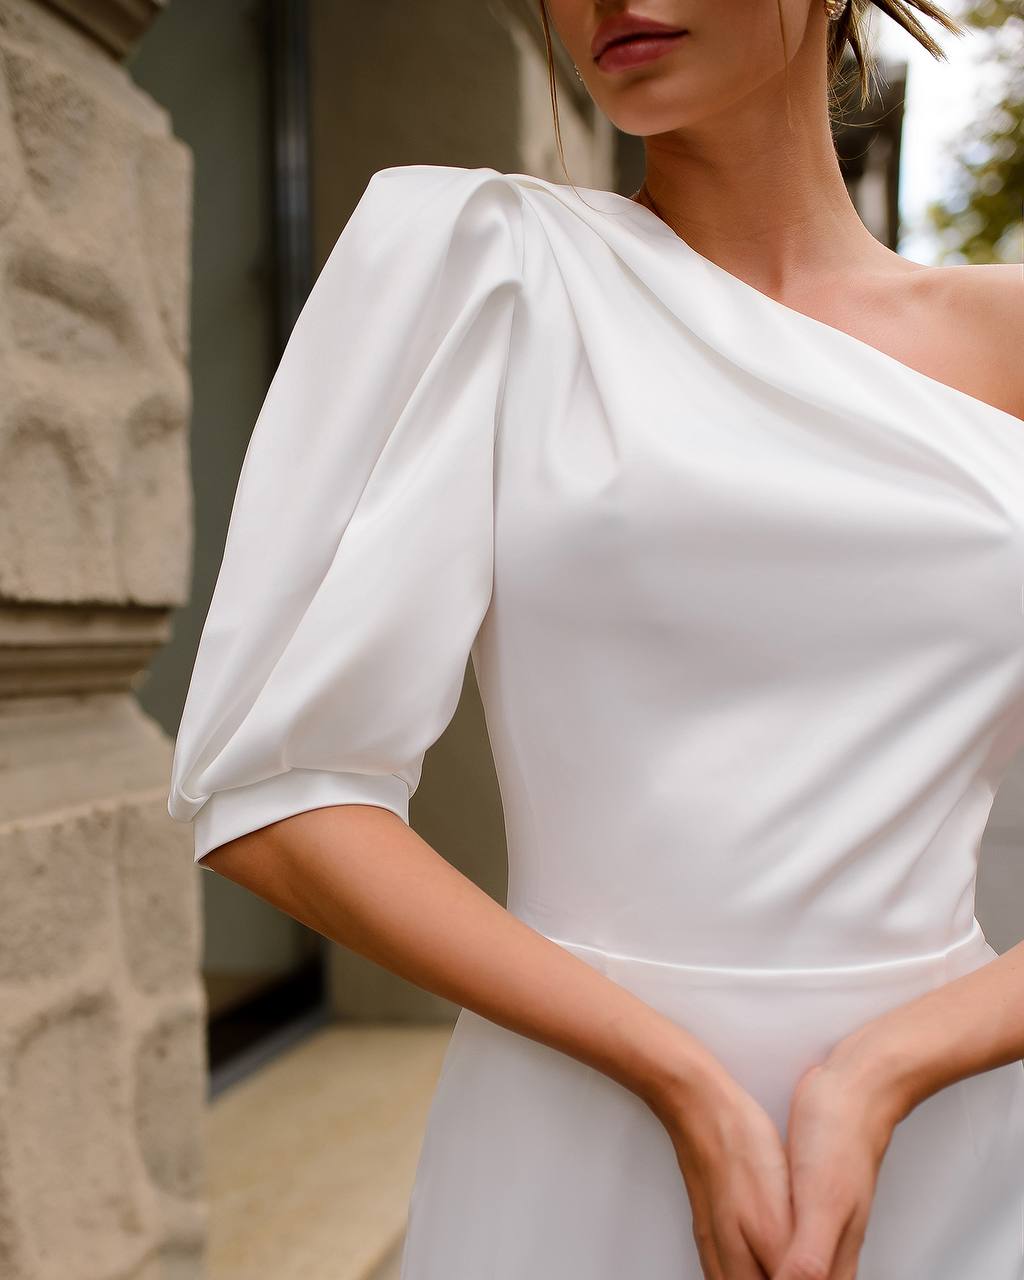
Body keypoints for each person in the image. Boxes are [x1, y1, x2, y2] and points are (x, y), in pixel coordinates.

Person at [167, 2, 1024, 1277]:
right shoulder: (482, 265)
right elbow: (275, 789)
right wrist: (676, 1071)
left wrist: (884, 1066)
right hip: (576, 1132)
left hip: (954, 1143)